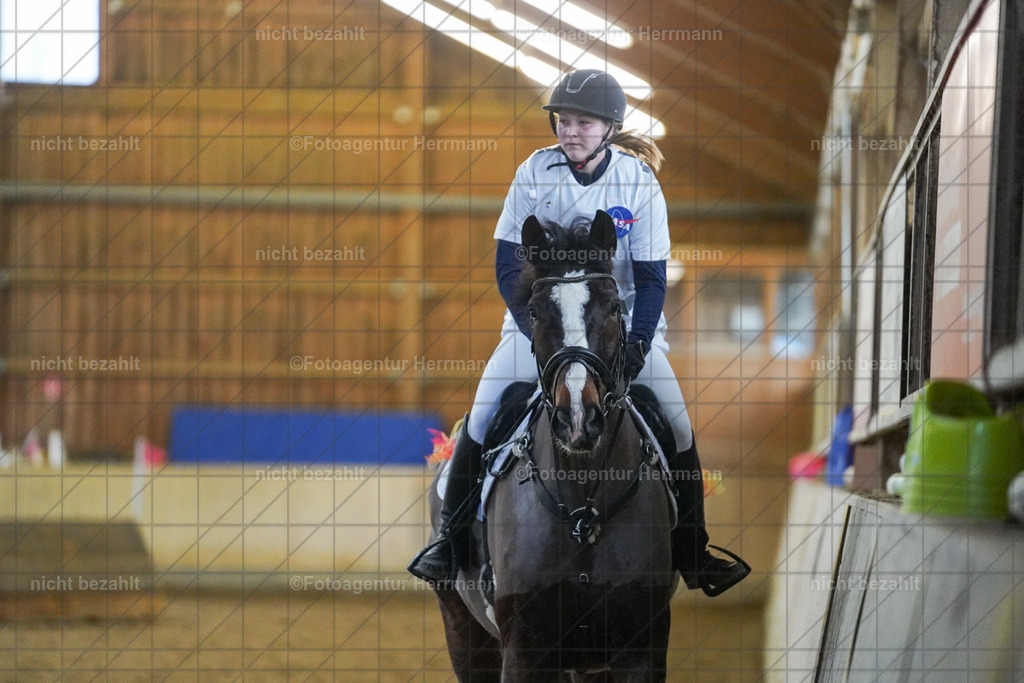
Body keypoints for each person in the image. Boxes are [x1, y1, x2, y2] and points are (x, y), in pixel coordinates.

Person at [408, 69, 749, 596]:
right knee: (480, 418)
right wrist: (530, 328)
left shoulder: (638, 182)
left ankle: (694, 552)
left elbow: (654, 277)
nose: (569, 131)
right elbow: (506, 266)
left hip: (620, 332)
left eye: (583, 123)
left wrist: (637, 342)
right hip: (539, 330)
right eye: (563, 121)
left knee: (678, 428)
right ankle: (449, 544)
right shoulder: (533, 171)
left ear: (609, 127)